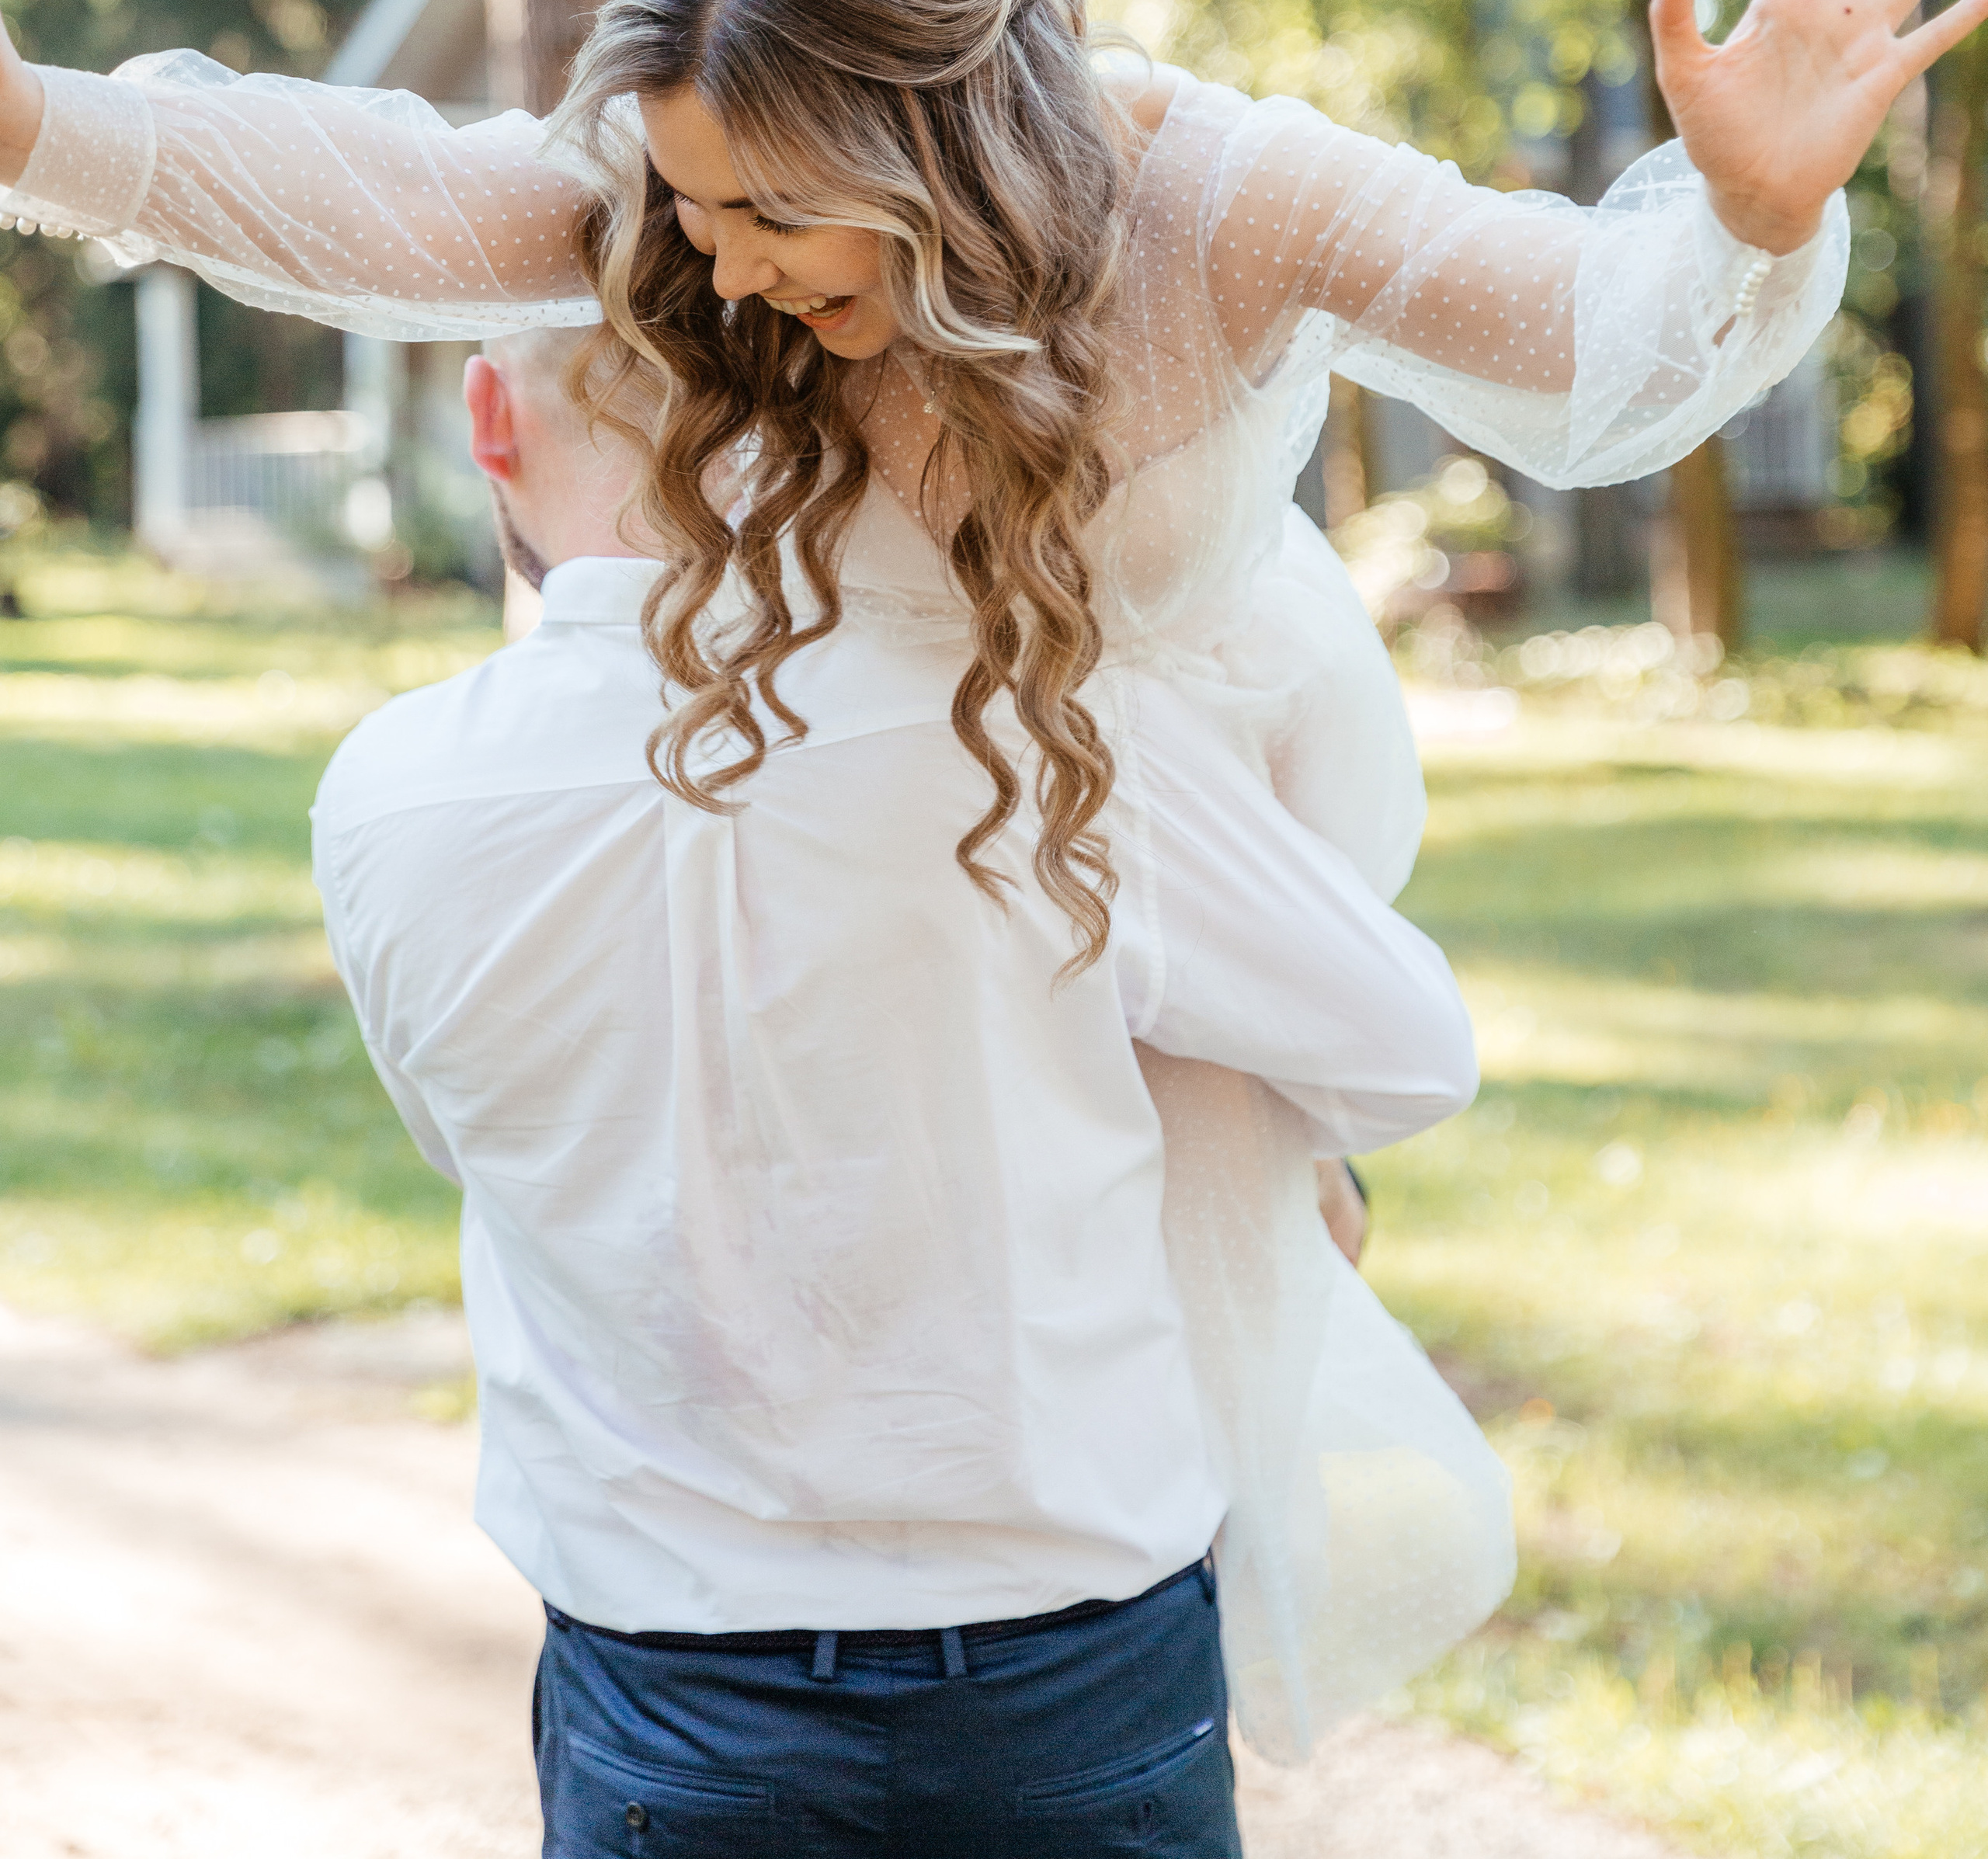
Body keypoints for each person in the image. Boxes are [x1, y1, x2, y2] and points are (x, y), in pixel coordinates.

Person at [0, 0, 1980, 1850]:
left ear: (932, 150)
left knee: (1112, 1437)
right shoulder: (690, 215)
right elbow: (382, 190)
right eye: (685, 204)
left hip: (1149, 833)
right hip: (913, 852)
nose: (713, 269)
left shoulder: (1223, 197)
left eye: (772, 213)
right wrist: (33, 121)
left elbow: (1590, 345)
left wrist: (1748, 221)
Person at [315, 322, 1448, 1847]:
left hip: (666, 1701)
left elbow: (478, 1148)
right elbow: (1401, 1052)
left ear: (487, 419)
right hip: (1071, 1674)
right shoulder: (1032, 729)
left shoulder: (389, 795)